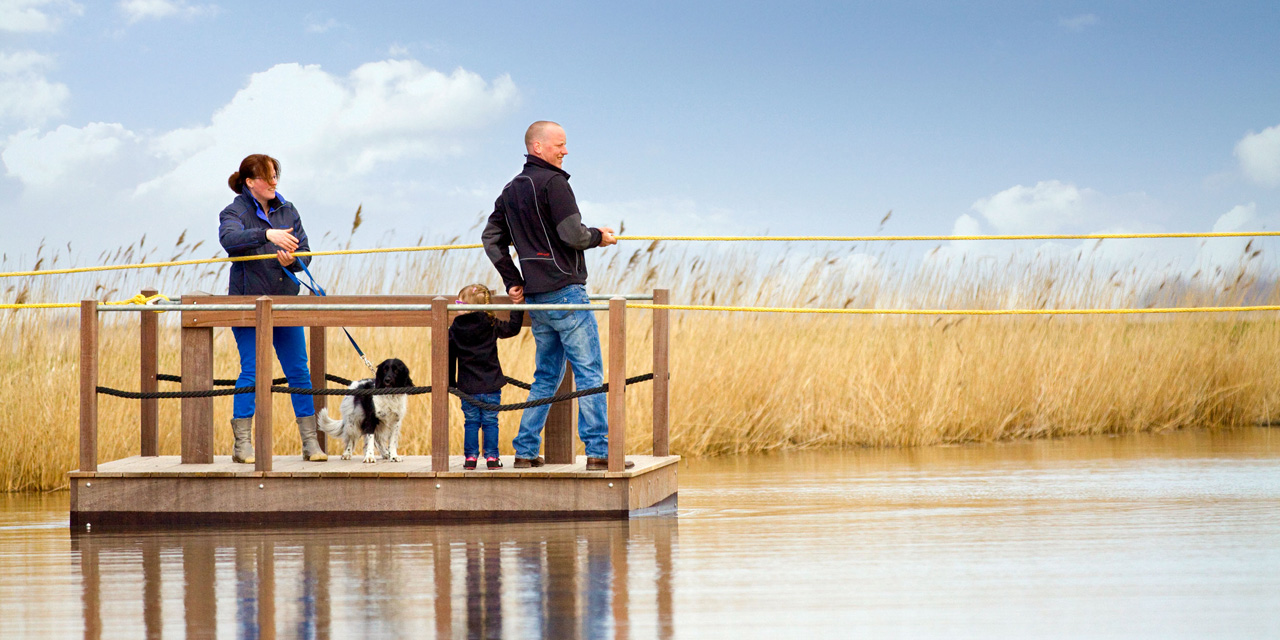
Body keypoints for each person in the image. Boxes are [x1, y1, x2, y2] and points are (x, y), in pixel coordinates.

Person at [482, 121, 633, 471]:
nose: (565, 151)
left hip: (537, 299)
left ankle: (524, 452)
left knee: (546, 377)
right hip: (566, 293)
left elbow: (491, 239)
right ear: (538, 147)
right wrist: (600, 236)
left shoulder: (510, 189)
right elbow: (572, 235)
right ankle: (599, 453)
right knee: (589, 372)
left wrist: (513, 279)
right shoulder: (555, 183)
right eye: (559, 145)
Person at [218, 154, 326, 464]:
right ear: (250, 182)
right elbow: (229, 240)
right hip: (248, 304)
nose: (274, 181)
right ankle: (243, 446)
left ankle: (310, 444)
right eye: (267, 176)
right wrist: (266, 234)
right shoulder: (234, 210)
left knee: (299, 372)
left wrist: (293, 260)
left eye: (276, 175)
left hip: (284, 302)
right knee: (252, 370)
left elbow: (305, 250)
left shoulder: (288, 209)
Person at [448, 283, 525, 470]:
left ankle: (471, 459)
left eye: (458, 302)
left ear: (465, 306)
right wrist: (517, 306)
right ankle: (492, 458)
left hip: (467, 387)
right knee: (491, 422)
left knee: (471, 423)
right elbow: (513, 328)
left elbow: (450, 355)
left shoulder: (455, 328)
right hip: (491, 385)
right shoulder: (490, 323)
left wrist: (451, 382)